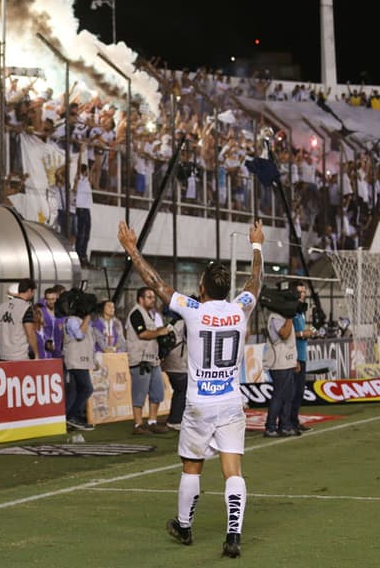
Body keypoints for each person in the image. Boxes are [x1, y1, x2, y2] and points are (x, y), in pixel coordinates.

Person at [118, 219, 264, 559]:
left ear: (202, 288)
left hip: (199, 403)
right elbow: (256, 281)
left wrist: (131, 250)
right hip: (230, 401)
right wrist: (256, 245)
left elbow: (155, 284)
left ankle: (184, 526)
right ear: (226, 289)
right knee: (233, 470)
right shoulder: (239, 308)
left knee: (191, 465)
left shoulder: (194, 310)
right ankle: (233, 535)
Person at [124, 287, 170, 435]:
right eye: (149, 297)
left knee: (157, 392)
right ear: (140, 299)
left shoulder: (150, 314)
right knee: (139, 394)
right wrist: (160, 331)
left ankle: (152, 422)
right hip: (140, 360)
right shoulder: (136, 313)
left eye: (153, 297)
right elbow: (142, 334)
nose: (153, 299)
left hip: (153, 360)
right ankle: (138, 425)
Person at [264, 299, 298, 438]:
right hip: (278, 363)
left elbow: (289, 342)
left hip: (287, 361)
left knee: (288, 395)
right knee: (279, 395)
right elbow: (284, 334)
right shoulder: (275, 317)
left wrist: (294, 360)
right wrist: (290, 316)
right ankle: (270, 427)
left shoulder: (281, 317)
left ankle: (285, 425)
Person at [63, 305, 95, 431]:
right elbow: (79, 335)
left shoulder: (81, 321)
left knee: (76, 391)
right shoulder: (72, 320)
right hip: (75, 360)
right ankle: (70, 417)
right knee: (87, 388)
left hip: (82, 360)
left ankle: (73, 418)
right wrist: (87, 318)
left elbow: (89, 341)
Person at [290, 281, 314, 433]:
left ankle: (294, 420)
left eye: (304, 292)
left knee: (299, 392)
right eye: (300, 292)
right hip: (294, 356)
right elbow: (286, 333)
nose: (302, 295)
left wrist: (307, 333)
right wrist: (302, 334)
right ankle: (288, 422)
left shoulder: (301, 311)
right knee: (293, 392)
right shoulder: (290, 311)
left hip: (302, 355)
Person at [0, 278, 38, 361]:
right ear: (29, 290)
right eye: (33, 292)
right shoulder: (25, 307)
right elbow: (30, 333)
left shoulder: (2, 307)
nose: (33, 295)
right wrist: (36, 353)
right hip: (19, 356)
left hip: (3, 354)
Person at [161, 310, 187, 431]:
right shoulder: (185, 323)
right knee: (182, 390)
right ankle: (175, 419)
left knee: (180, 390)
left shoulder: (173, 323)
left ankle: (176, 418)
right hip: (179, 362)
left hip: (169, 361)